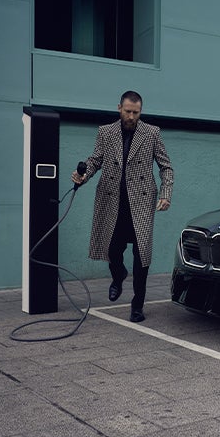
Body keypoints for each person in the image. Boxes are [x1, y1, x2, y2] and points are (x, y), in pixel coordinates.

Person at [72, 90, 174, 322]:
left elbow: (166, 167)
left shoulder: (152, 133)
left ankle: (137, 306)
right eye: (128, 111)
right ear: (119, 108)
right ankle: (118, 276)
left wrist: (166, 193)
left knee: (141, 257)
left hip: (141, 202)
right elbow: (95, 160)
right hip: (112, 201)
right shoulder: (105, 132)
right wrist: (83, 176)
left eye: (136, 112)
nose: (131, 117)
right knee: (112, 249)